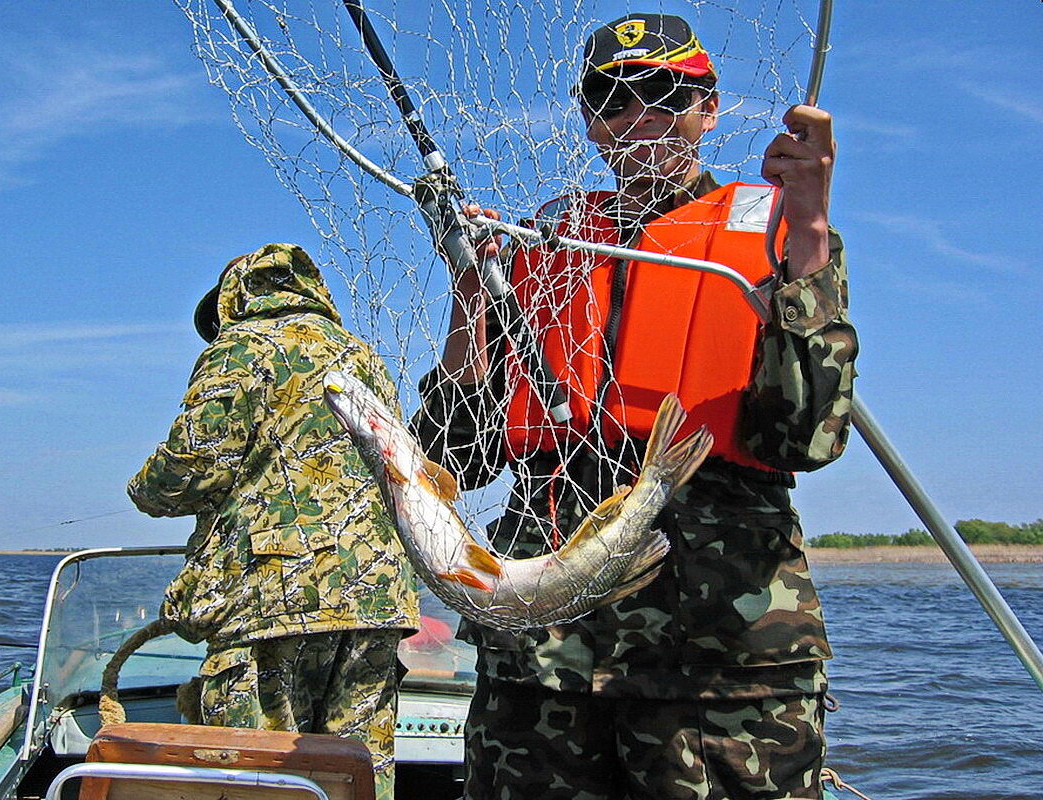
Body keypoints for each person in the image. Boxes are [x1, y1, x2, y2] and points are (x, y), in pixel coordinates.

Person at [412, 13, 858, 800]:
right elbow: (457, 458)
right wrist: (467, 297)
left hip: (722, 664)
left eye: (662, 91)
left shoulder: (777, 236)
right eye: (610, 98)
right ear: (588, 123)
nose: (638, 113)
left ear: (708, 107)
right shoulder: (543, 244)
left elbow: (806, 436)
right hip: (540, 669)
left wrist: (812, 227)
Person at [128, 243, 420, 800]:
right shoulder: (361, 356)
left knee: (257, 778)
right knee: (353, 774)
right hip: (378, 599)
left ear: (234, 300)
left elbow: (192, 467)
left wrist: (142, 490)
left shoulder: (239, 348)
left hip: (273, 599)